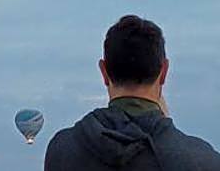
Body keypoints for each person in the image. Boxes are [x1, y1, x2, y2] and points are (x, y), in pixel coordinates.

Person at [45, 15, 220, 170]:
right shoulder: (202, 160)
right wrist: (165, 127)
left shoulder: (63, 150)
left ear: (104, 72)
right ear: (164, 71)